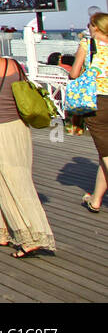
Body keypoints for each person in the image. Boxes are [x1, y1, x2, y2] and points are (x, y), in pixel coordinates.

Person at [0, 31, 55, 258]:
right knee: (18, 175)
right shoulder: (13, 64)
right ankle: (4, 232)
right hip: (19, 127)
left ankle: (30, 236)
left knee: (8, 183)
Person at [68, 11, 108, 212]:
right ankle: (96, 200)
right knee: (104, 153)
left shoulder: (87, 44)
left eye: (89, 25)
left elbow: (74, 73)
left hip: (96, 102)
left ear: (96, 26)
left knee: (107, 152)